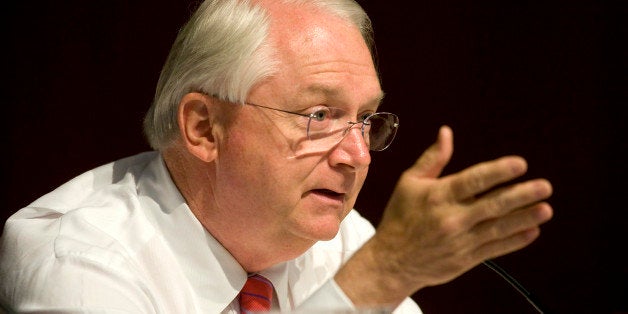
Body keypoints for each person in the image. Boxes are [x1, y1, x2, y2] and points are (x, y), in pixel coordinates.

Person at [0, 0, 554, 313]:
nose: (357, 155)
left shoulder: (339, 240)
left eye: (365, 119)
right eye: (319, 116)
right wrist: (375, 281)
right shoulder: (79, 263)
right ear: (203, 127)